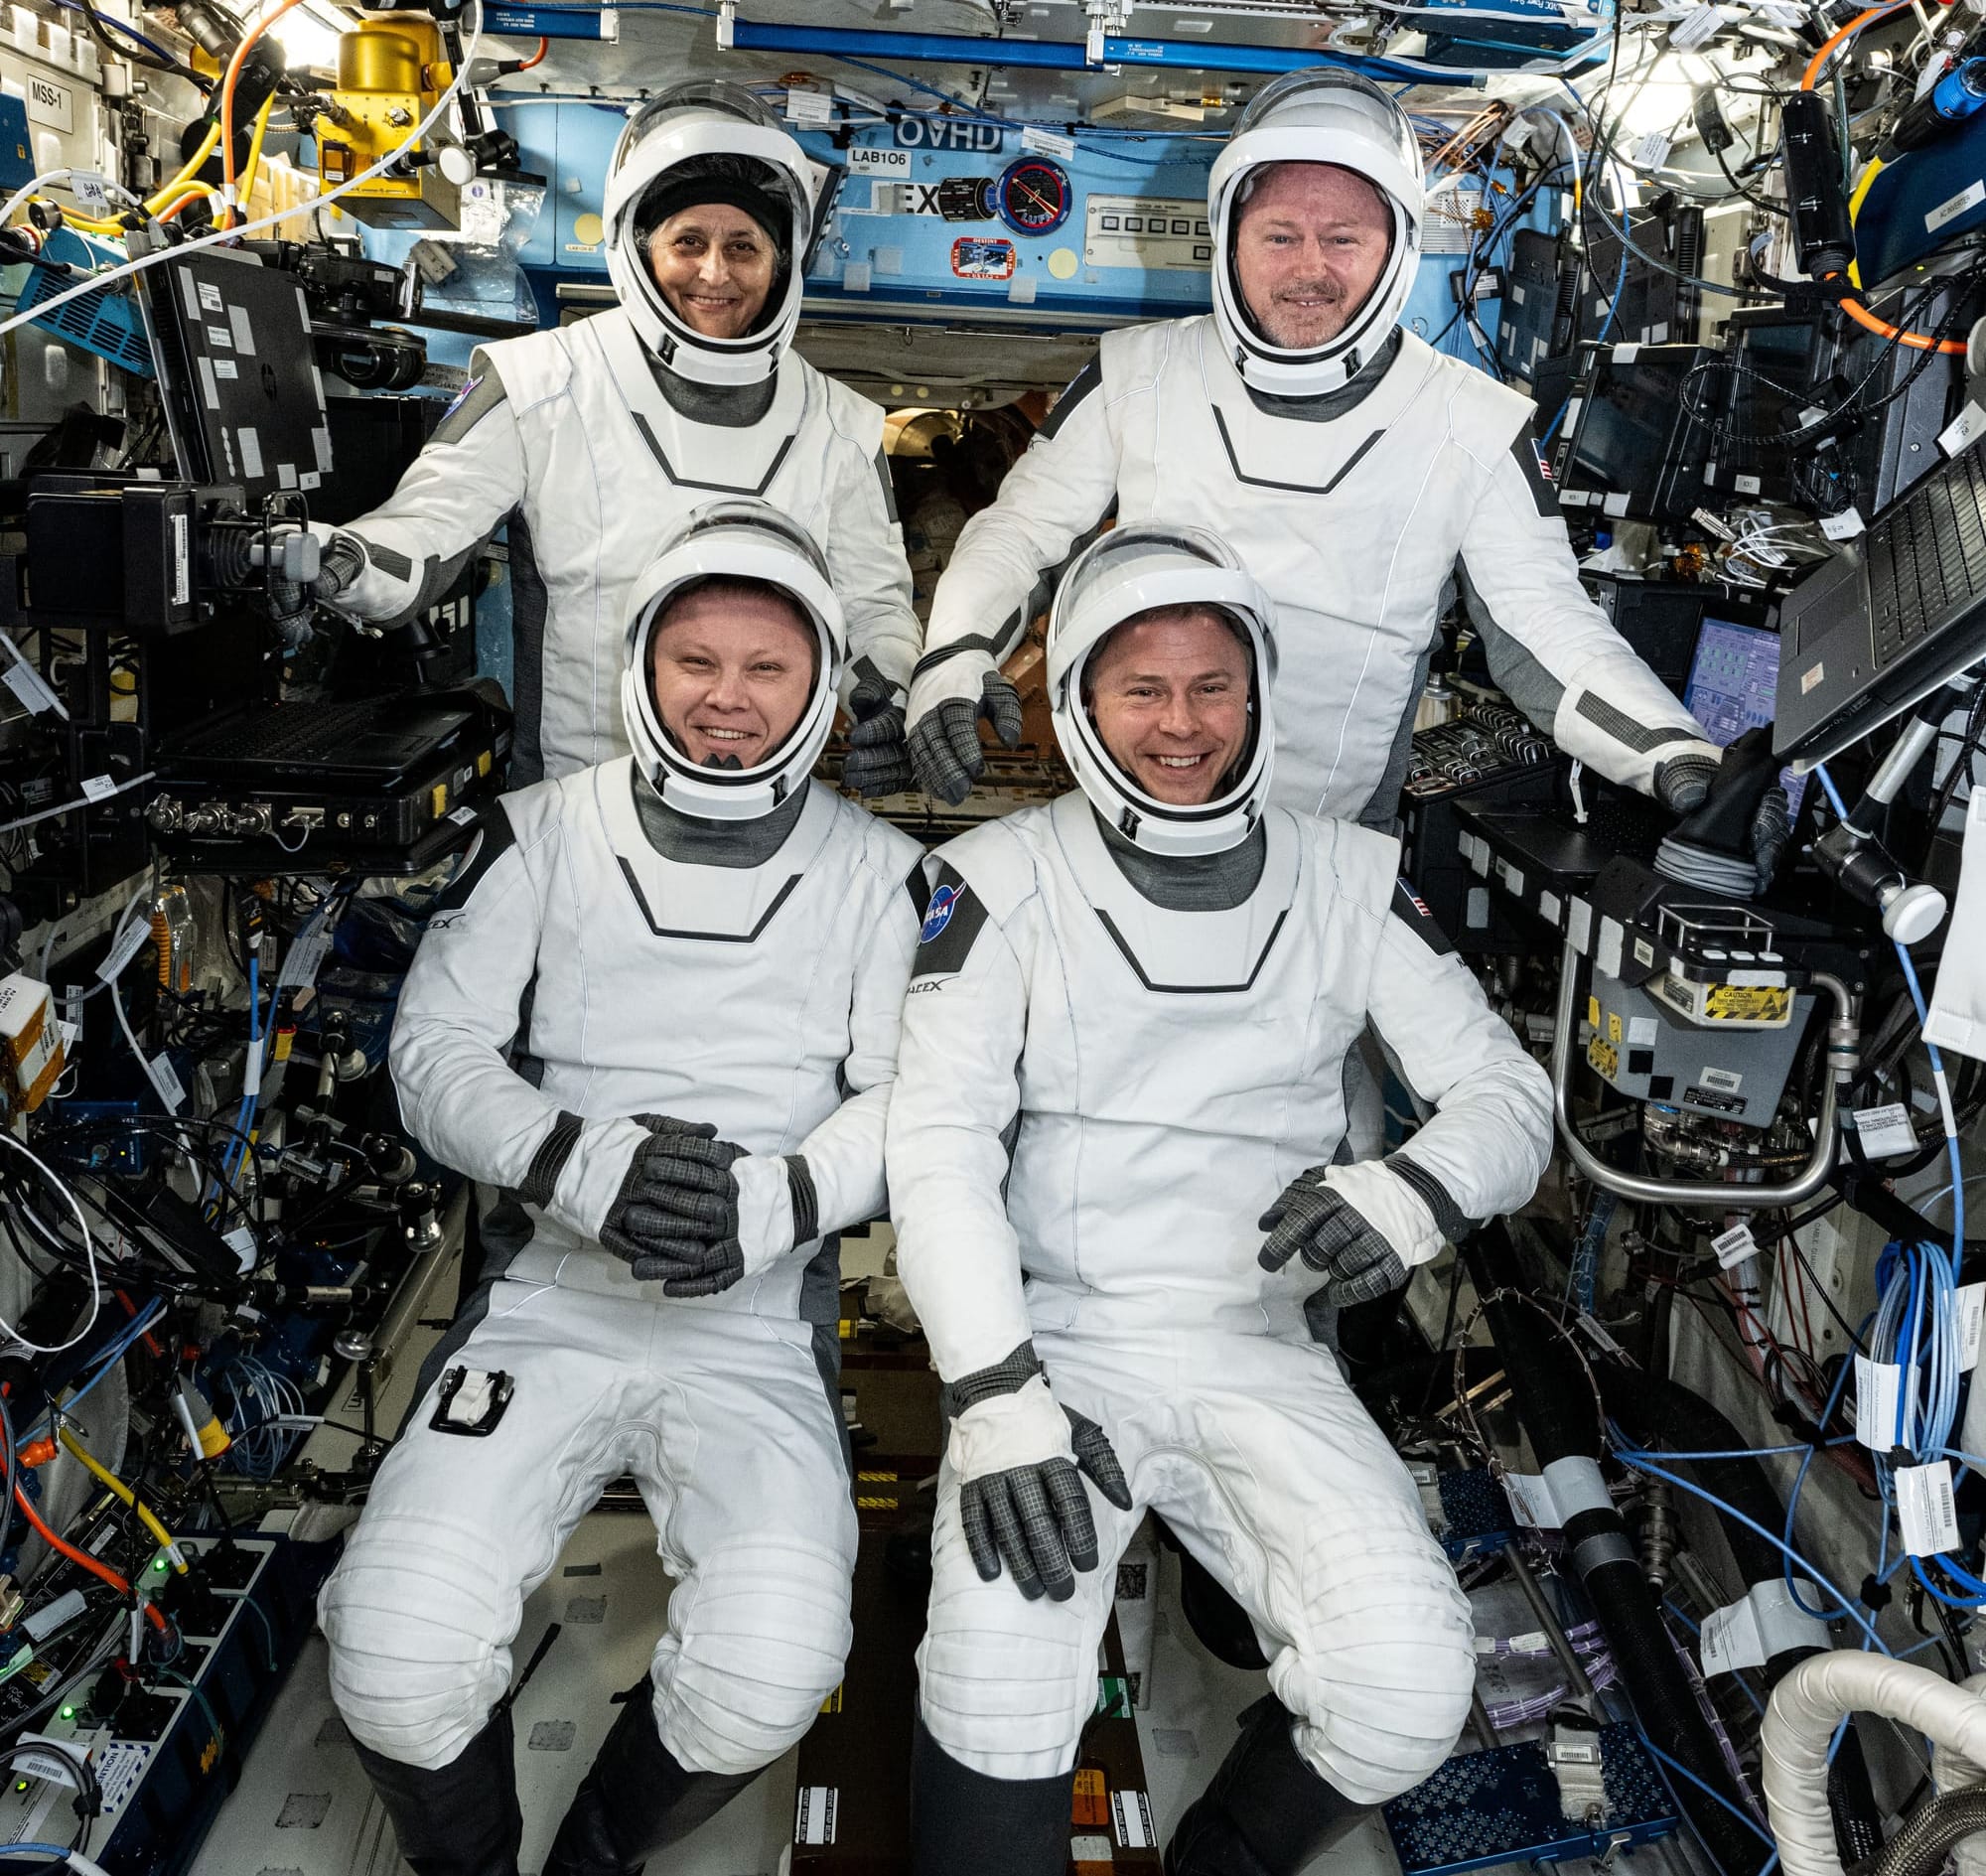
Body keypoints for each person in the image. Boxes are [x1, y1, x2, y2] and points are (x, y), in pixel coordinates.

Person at [886, 522, 1555, 1876]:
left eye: (1212, 687)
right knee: (995, 1686)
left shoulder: (1352, 877)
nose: (1181, 725)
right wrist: (994, 1395)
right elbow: (937, 1143)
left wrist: (1415, 1190)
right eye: (1142, 690)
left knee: (1406, 1686)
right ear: (1077, 698)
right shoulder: (994, 886)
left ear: (1256, 693)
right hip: (1054, 1343)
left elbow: (1508, 1097)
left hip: (1261, 1342)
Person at [320, 501, 925, 1876]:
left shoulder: (884, 877)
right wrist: (578, 1161)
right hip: (552, 1297)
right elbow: (433, 1050)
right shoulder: (538, 835)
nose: (728, 700)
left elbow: (919, 1103)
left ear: (822, 683)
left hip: (757, 1318)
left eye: (768, 668)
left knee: (773, 1666)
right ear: (640, 666)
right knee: (394, 1649)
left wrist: (777, 1199)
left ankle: (597, 1856)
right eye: (695, 661)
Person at [904, 69, 1780, 880]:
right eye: (1280, 236)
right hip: (1119, 832)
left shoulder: (1469, 425)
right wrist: (953, 655)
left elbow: (1546, 632)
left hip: (1329, 861)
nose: (1309, 270)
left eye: (1343, 238)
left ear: (1397, 248)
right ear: (1231, 241)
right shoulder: (1139, 373)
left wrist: (1677, 756)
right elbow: (1019, 534)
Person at [311, 80, 919, 796]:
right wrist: (336, 560)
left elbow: (874, 610)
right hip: (570, 812)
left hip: (766, 816)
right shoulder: (538, 382)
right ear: (638, 249)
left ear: (781, 262)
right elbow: (425, 533)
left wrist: (894, 701)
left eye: (744, 246)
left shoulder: (840, 426)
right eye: (688, 241)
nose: (715, 272)